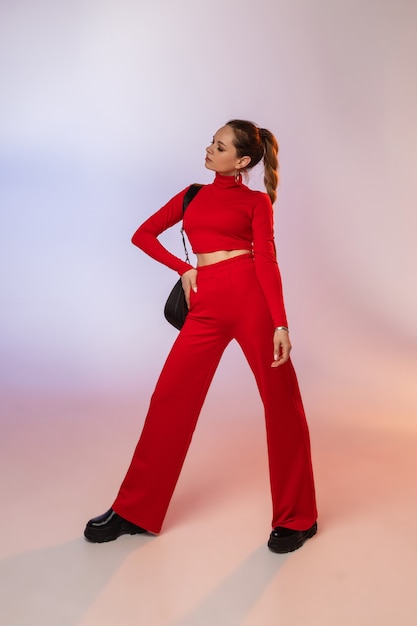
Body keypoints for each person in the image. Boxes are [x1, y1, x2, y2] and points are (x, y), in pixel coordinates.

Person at [84, 119, 318, 553]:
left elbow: (266, 261)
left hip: (251, 299)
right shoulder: (192, 195)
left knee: (281, 403)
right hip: (206, 305)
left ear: (242, 161)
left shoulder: (255, 203)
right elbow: (143, 235)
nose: (210, 149)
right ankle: (135, 510)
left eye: (221, 146)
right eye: (212, 142)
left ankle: (298, 516)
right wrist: (184, 269)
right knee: (170, 398)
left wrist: (281, 324)